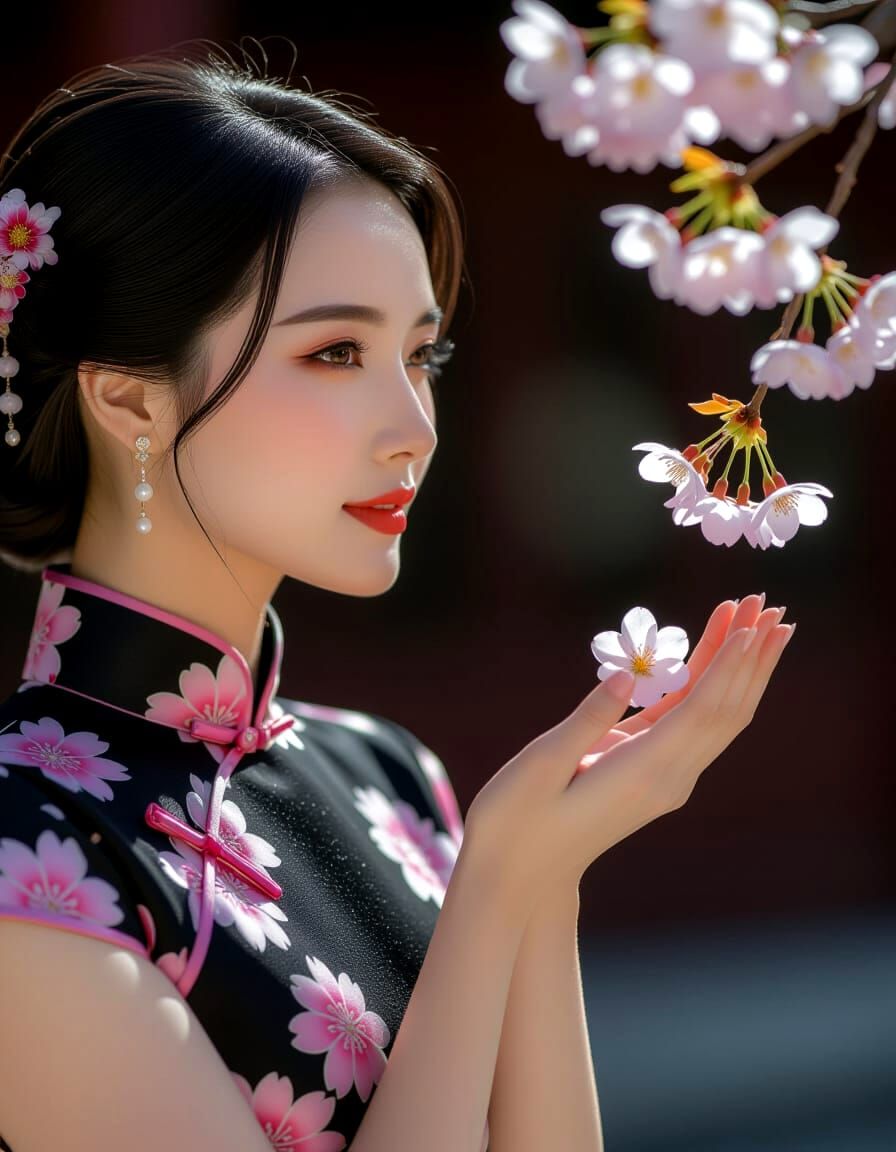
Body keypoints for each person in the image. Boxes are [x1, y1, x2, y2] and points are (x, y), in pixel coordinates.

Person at [0, 40, 794, 1152]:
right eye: (333, 353)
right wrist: (499, 882)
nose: (414, 429)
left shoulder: (386, 771)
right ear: (128, 400)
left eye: (420, 356)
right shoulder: (29, 855)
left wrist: (541, 878)